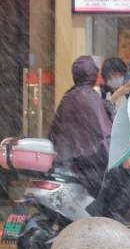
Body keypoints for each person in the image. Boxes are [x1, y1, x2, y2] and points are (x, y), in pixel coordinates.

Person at [48, 56, 112, 197]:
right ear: (93, 74)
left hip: (66, 159)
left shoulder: (68, 96)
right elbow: (104, 131)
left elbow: (55, 129)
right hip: (90, 162)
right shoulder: (91, 97)